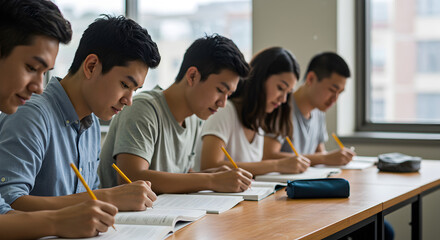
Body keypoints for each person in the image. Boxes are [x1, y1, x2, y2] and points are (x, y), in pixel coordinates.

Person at [0, 14, 160, 216]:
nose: (128, 100)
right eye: (125, 85)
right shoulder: (31, 114)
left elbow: (87, 200)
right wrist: (108, 197)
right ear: (91, 66)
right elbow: (8, 202)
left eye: (134, 90)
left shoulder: (91, 124)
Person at [0, 0, 117, 238]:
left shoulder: (91, 123)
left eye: (44, 73)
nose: (38, 87)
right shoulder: (32, 114)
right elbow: (13, 201)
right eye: (31, 67)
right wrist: (55, 222)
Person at [98, 34, 253, 194]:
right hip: (122, 217)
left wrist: (213, 175)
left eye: (229, 95)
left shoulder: (193, 119)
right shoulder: (143, 108)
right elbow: (131, 178)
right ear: (192, 76)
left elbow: (181, 177)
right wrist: (211, 181)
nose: (222, 103)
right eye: (220, 90)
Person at [195, 47, 310, 175]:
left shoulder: (258, 123)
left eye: (288, 93)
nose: (283, 99)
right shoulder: (224, 111)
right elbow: (209, 165)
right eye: (280, 88)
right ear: (260, 78)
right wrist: (276, 165)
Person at [263, 52, 356, 166]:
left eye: (339, 93)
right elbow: (268, 155)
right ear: (311, 79)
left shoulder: (318, 111)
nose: (334, 99)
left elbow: (319, 154)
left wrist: (332, 158)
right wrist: (324, 158)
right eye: (332, 90)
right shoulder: (280, 106)